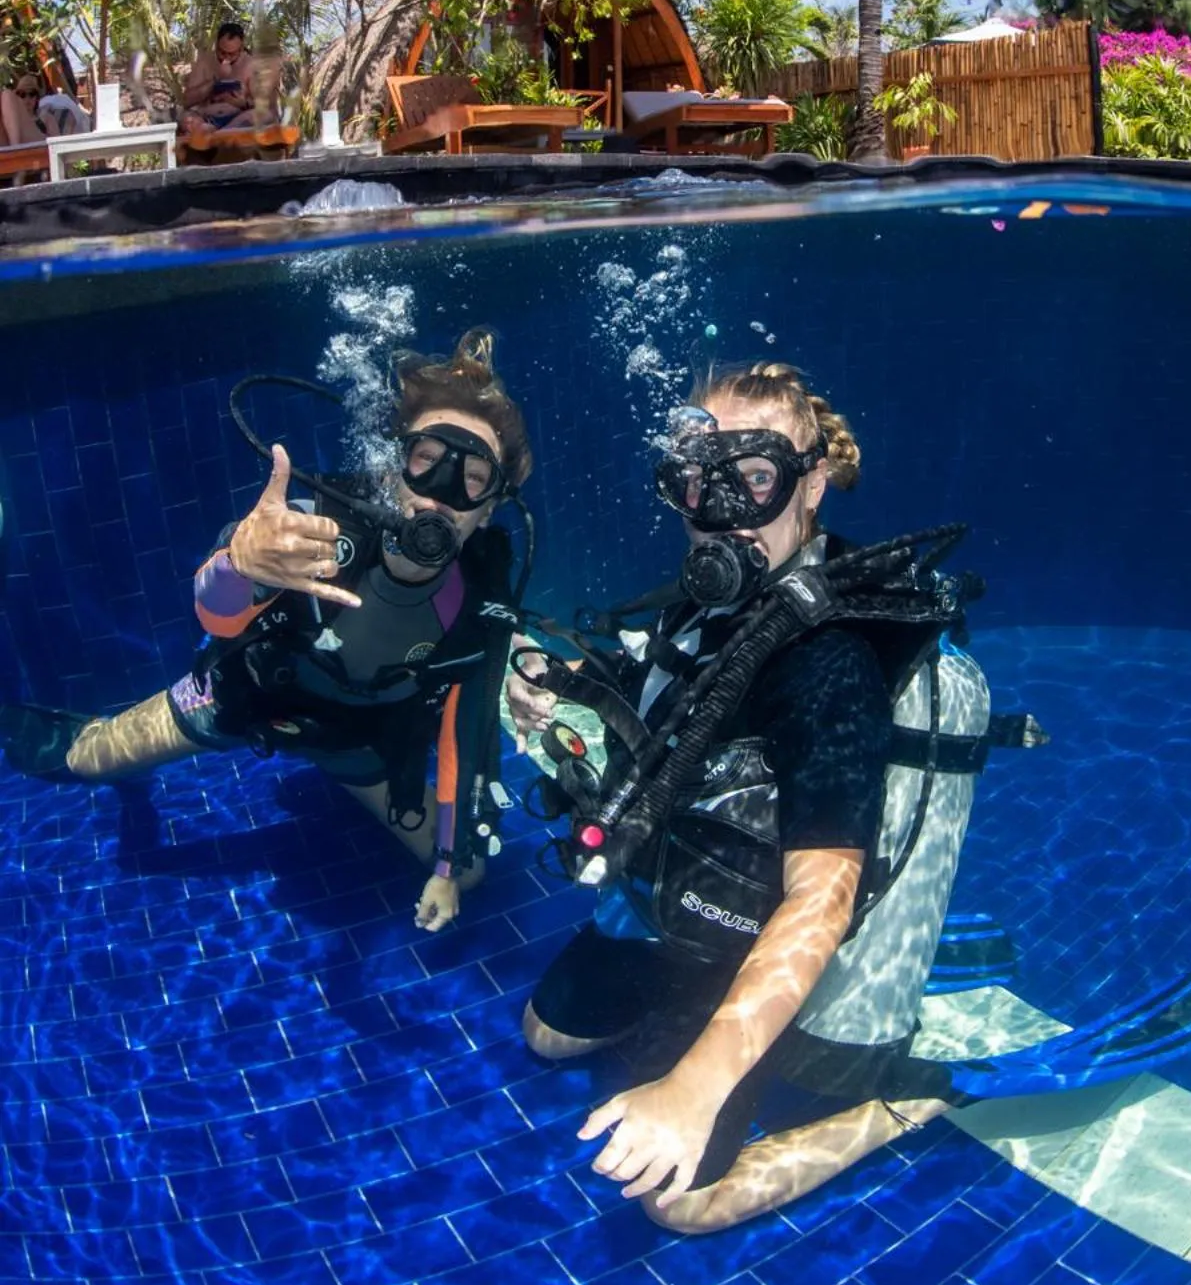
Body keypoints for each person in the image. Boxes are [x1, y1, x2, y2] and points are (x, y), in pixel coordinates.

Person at [508, 361, 990, 1233]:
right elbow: (676, 713)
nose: (719, 511)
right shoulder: (704, 604)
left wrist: (696, 1085)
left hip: (788, 930)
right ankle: (693, 1000)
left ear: (811, 486)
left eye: (753, 480)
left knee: (680, 1203)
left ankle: (898, 1107)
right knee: (548, 1034)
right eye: (698, 483)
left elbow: (824, 895)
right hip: (696, 896)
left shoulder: (827, 660)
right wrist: (566, 695)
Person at [1, 330, 533, 933]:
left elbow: (467, 729)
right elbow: (215, 616)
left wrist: (443, 864)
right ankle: (70, 739)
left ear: (489, 508)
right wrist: (238, 562)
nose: (440, 492)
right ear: (392, 469)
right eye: (425, 459)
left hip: (352, 742)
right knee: (88, 760)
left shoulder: (474, 603)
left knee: (466, 875)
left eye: (471, 477)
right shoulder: (312, 533)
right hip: (243, 698)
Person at [183, 22, 256, 129]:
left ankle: (223, 133)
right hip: (207, 118)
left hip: (239, 117)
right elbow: (187, 101)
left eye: (232, 54)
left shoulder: (250, 65)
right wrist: (214, 82)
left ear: (241, 48)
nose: (226, 57)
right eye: (222, 52)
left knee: (262, 117)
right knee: (187, 120)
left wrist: (242, 103)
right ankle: (214, 132)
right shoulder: (204, 62)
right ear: (217, 44)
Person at [0, 72, 46, 146]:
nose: (27, 98)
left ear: (37, 97)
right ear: (16, 95)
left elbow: (58, 145)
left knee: (7, 94)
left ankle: (15, 149)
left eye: (32, 93)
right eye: (22, 94)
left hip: (40, 146)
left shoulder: (45, 117)